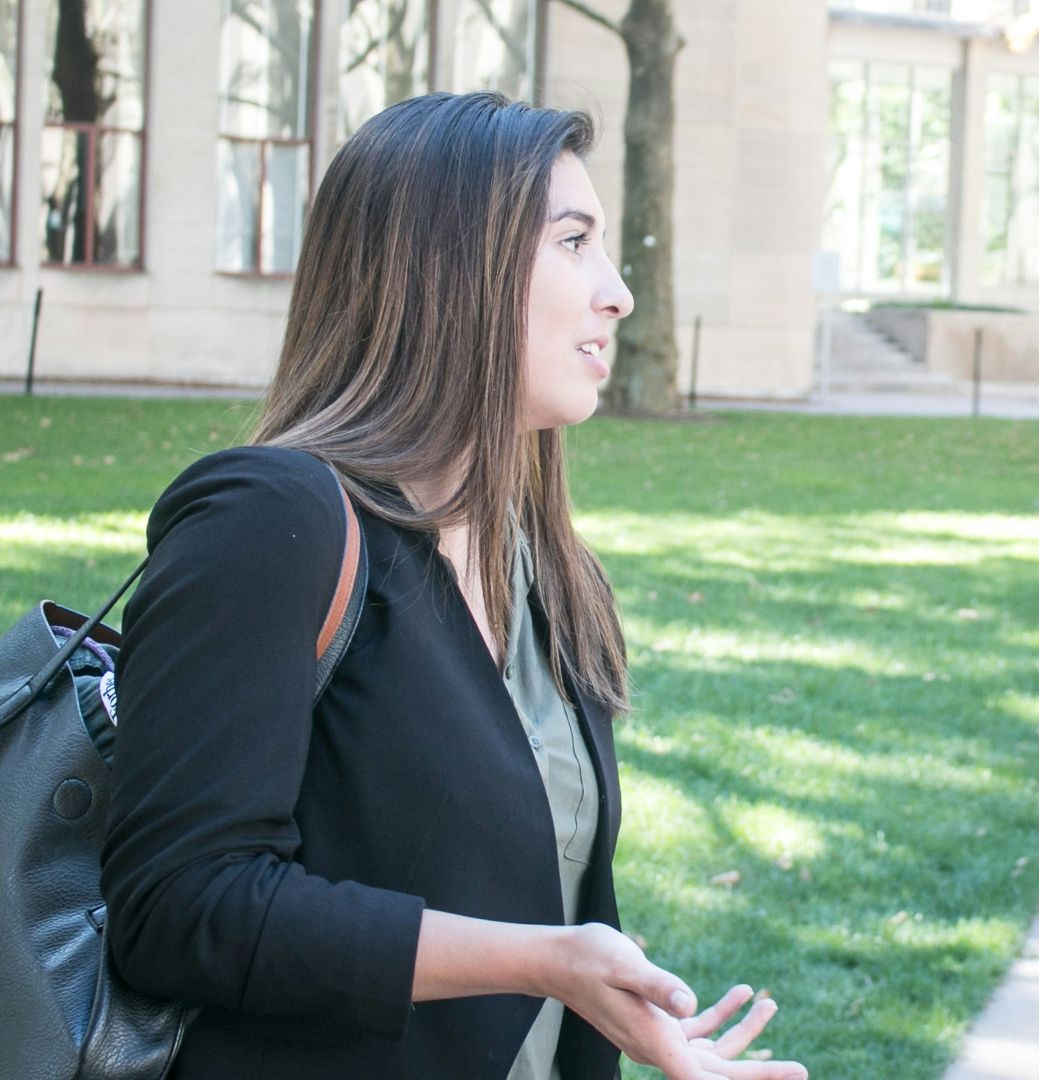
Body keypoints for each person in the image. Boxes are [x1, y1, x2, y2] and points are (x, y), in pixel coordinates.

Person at [99, 93, 807, 1080]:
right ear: (449, 266)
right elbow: (177, 908)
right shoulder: (273, 518)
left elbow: (541, 890)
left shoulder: (547, 572)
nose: (618, 292)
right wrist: (542, 962)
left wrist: (607, 1004)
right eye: (574, 242)